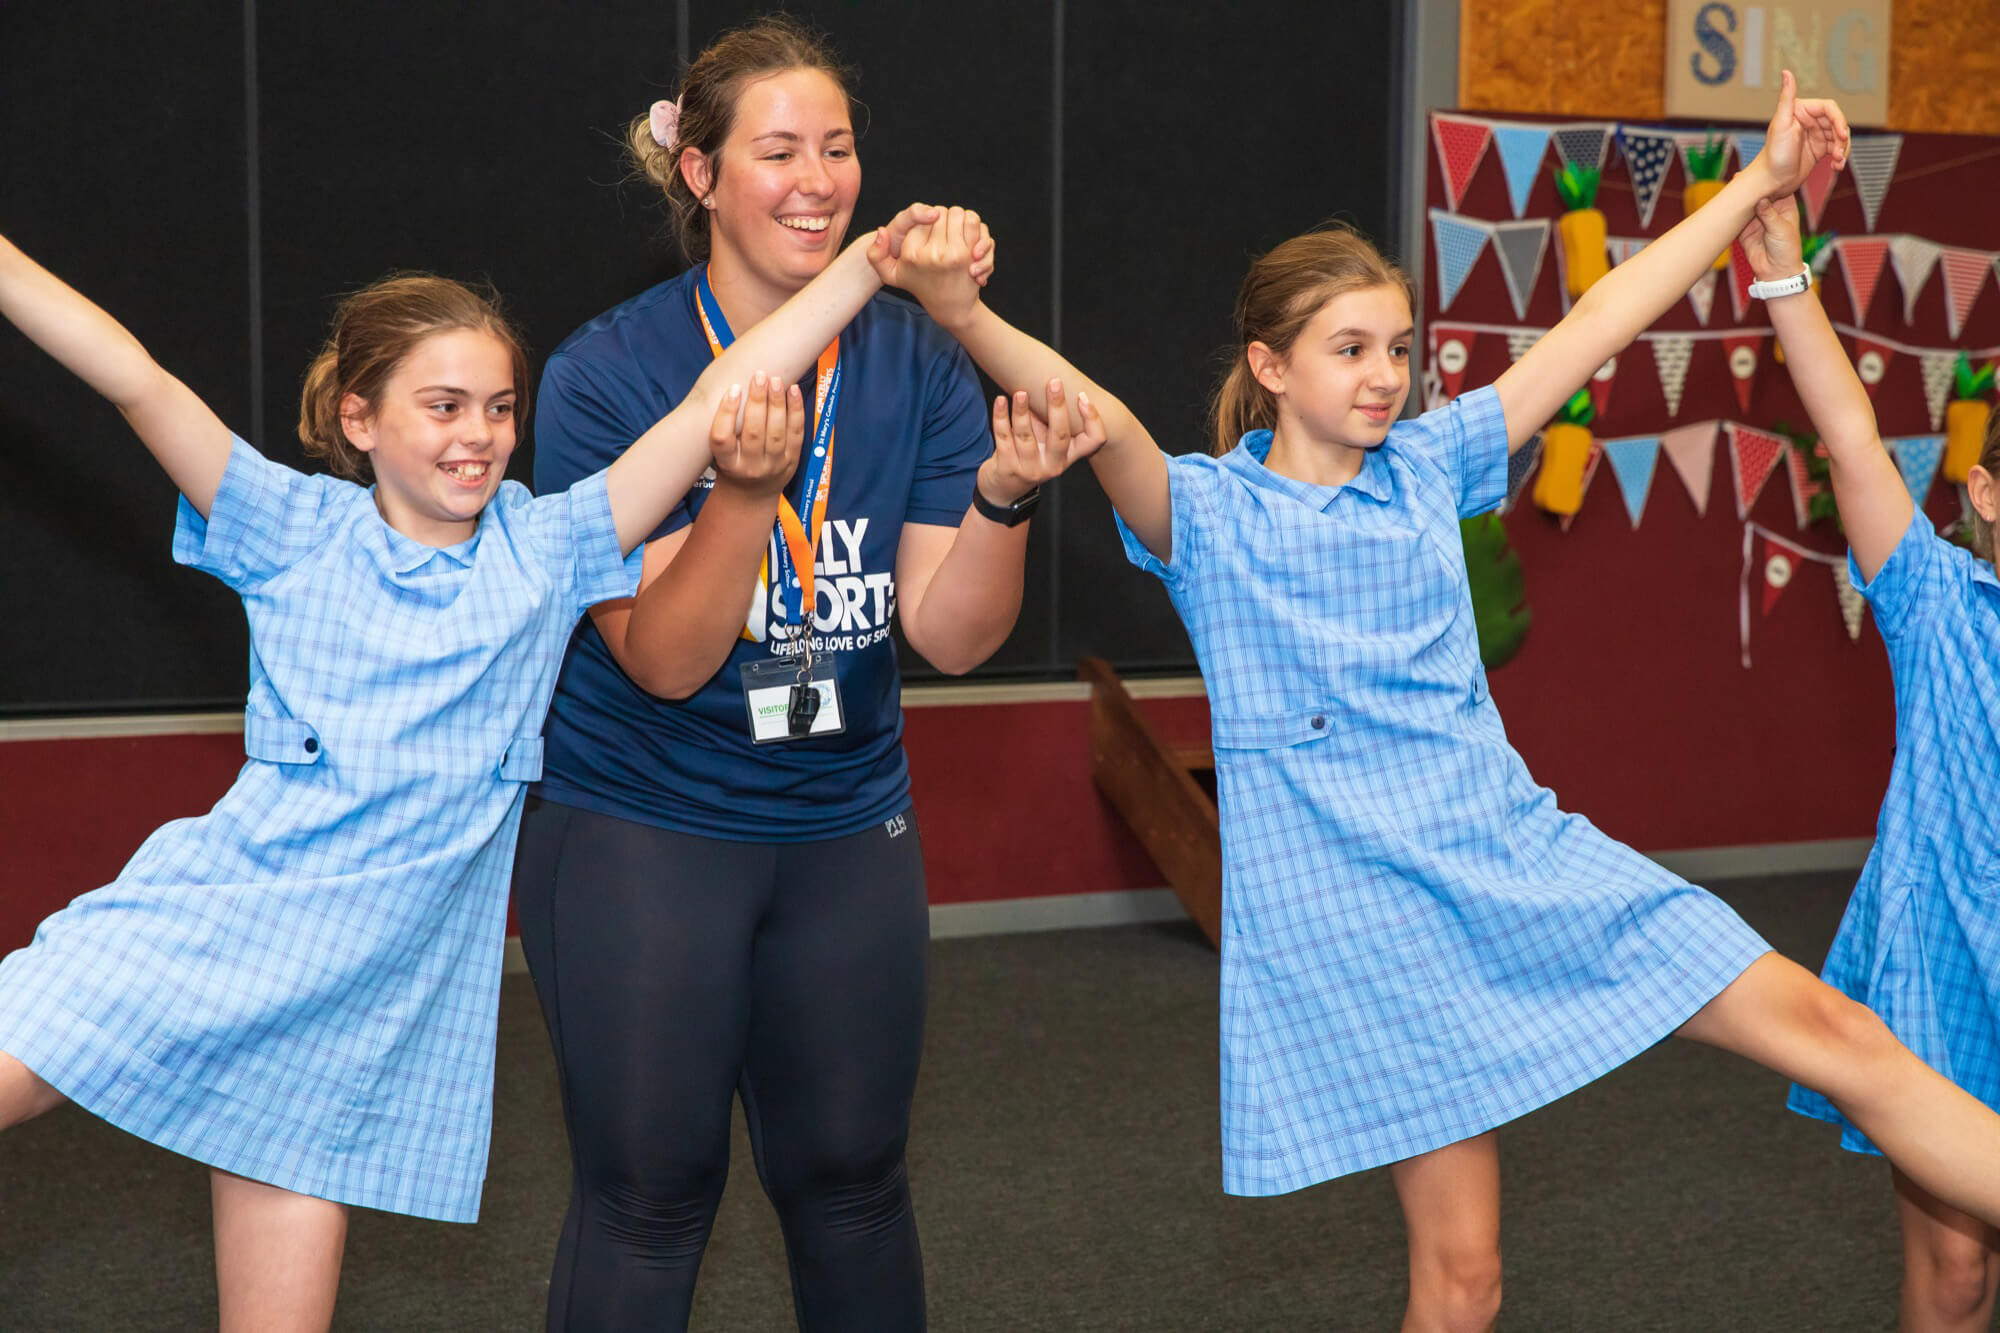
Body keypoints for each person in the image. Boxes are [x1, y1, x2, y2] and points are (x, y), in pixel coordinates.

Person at [883, 74, 2000, 1329]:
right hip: (1367, 925)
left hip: (1513, 855)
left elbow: (1605, 316)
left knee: (1836, 1032)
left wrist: (1754, 184)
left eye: (1399, 349)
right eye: (1349, 350)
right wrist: (961, 309)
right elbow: (1094, 417)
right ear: (1268, 366)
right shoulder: (1209, 516)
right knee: (1461, 1281)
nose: (1385, 376)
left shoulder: (1428, 465)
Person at [0, 198, 937, 1329]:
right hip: (219, 919)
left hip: (354, 1002)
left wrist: (865, 266)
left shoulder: (547, 550)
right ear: (359, 419)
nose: (477, 435)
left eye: (499, 408)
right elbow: (135, 379)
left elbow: (709, 404)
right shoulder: (288, 526)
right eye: (442, 406)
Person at [512, 16, 1071, 1331]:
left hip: (844, 826)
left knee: (853, 1184)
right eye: (777, 152)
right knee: (650, 1196)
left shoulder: (916, 360)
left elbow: (952, 639)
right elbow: (663, 659)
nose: (817, 180)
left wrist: (1002, 498)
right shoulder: (607, 374)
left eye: (838, 146)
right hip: (645, 824)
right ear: (700, 174)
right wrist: (743, 495)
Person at [1747, 192, 2000, 1332]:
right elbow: (1850, 434)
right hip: (1944, 968)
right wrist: (1782, 273)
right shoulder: (1938, 601)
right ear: (1983, 493)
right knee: (1955, 1273)